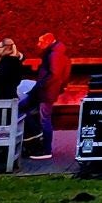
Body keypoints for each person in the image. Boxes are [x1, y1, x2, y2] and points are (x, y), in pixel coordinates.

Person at [26, 32, 71, 160]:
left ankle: (46, 149)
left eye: (40, 42)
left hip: (47, 92)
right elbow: (63, 73)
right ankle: (41, 146)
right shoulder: (58, 52)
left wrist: (40, 84)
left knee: (44, 119)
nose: (38, 44)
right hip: (49, 91)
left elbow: (54, 75)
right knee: (41, 117)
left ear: (47, 41)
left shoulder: (54, 54)